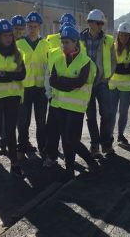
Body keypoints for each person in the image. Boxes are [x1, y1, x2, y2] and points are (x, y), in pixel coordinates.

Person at [46, 26, 101, 178]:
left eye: (67, 42)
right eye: (62, 42)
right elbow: (53, 81)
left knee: (72, 139)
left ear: (75, 42)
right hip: (59, 105)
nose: (64, 45)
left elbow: (79, 82)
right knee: (65, 139)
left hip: (76, 107)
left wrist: (63, 82)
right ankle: (69, 168)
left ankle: (91, 161)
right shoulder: (57, 60)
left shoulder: (86, 62)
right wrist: (68, 83)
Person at [0, 19, 26, 181]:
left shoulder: (18, 53)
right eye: (4, 35)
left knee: (10, 131)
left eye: (10, 35)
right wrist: (11, 76)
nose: (8, 38)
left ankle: (14, 164)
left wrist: (1, 74)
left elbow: (22, 75)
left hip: (13, 97)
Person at [80, 9, 117, 157]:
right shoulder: (79, 39)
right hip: (87, 84)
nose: (100, 25)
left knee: (107, 114)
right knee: (91, 116)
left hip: (102, 82)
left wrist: (107, 77)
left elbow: (114, 60)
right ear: (89, 23)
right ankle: (94, 146)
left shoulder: (108, 40)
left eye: (102, 23)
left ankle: (106, 144)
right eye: (98, 23)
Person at [16, 12, 50, 160]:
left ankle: (43, 147)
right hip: (24, 89)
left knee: (41, 121)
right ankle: (22, 147)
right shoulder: (19, 44)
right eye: (30, 26)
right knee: (23, 121)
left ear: (39, 27)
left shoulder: (46, 44)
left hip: (41, 89)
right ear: (26, 27)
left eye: (35, 27)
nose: (32, 29)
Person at [108, 22, 130, 145]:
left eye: (126, 35)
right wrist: (122, 66)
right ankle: (109, 135)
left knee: (123, 112)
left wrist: (118, 66)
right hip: (113, 84)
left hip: (127, 86)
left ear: (129, 37)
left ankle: (120, 135)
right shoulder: (111, 48)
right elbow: (110, 66)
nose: (123, 37)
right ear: (118, 35)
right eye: (121, 35)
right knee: (111, 111)